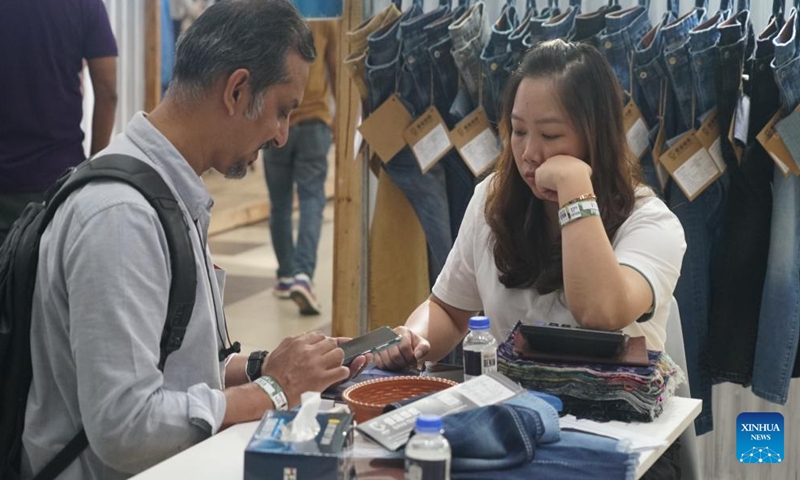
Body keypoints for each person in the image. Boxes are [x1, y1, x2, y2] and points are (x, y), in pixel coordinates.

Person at [21, 2, 368, 479]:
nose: (283, 136)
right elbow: (124, 429)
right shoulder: (122, 218)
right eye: (282, 112)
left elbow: (176, 365)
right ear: (237, 89)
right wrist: (273, 389)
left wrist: (275, 365)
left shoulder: (164, 192)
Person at [375, 39, 687, 371]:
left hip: (614, 417)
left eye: (550, 136)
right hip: (512, 410)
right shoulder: (492, 199)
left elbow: (600, 313)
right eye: (519, 131)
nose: (528, 154)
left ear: (597, 136)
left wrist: (574, 187)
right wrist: (412, 337)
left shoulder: (650, 222)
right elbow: (450, 312)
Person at [0, 0, 118, 247]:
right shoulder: (85, 4)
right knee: (49, 282)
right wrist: (93, 171)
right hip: (57, 183)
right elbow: (108, 91)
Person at [263, 19, 339, 316]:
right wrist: (340, 120)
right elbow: (335, 69)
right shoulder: (325, 16)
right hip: (315, 122)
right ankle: (303, 275)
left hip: (276, 120)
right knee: (311, 200)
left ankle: (285, 274)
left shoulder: (275, 12)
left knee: (279, 203)